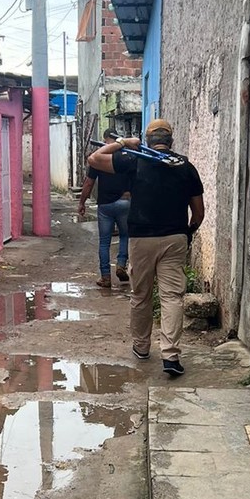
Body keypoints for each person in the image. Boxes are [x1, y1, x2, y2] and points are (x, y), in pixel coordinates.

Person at [87, 119, 204, 376]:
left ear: (148, 140)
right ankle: (170, 356)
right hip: (174, 238)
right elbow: (198, 213)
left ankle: (141, 347)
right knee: (172, 297)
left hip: (140, 240)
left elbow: (94, 159)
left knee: (141, 295)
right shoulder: (186, 167)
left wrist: (122, 143)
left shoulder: (134, 161)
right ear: (170, 140)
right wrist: (188, 233)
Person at [78, 128, 131, 288]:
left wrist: (82, 202)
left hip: (105, 205)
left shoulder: (99, 158)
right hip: (125, 201)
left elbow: (89, 183)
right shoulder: (127, 156)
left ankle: (105, 277)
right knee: (124, 236)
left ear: (105, 139)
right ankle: (121, 264)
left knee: (104, 242)